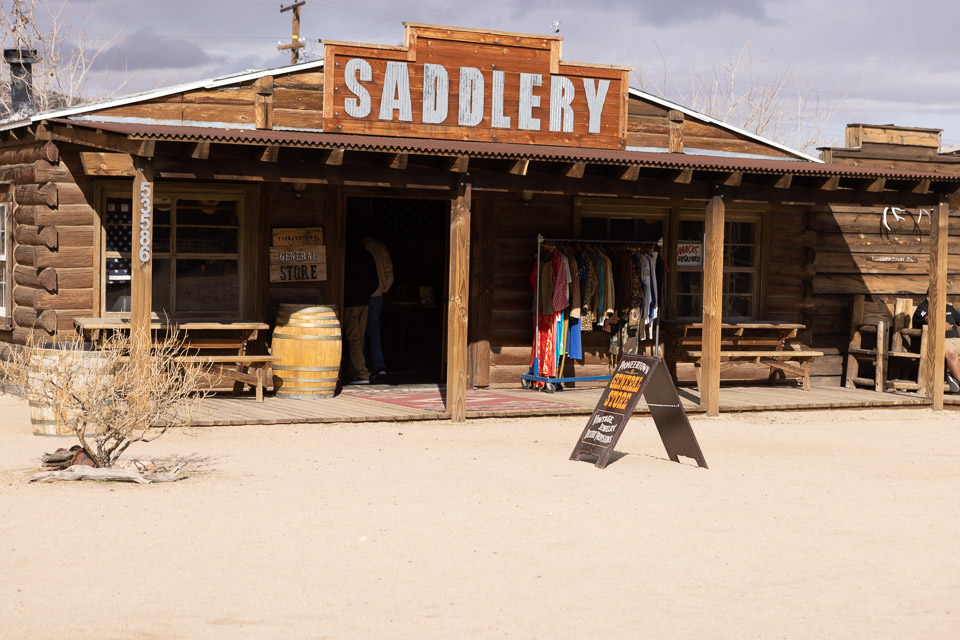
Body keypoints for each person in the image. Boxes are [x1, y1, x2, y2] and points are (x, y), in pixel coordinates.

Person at [342, 231, 379, 385]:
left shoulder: (346, 258)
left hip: (350, 303)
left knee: (354, 340)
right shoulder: (368, 256)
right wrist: (366, 294)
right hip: (365, 302)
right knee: (359, 339)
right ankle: (352, 372)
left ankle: (363, 373)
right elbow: (375, 282)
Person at [912, 289, 960, 393]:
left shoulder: (949, 308)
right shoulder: (923, 307)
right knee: (951, 353)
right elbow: (927, 319)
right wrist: (942, 323)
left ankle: (955, 379)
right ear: (927, 295)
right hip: (940, 341)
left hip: (957, 340)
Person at [362, 233, 394, 379]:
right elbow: (389, 273)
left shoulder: (360, 247)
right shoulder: (381, 248)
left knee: (359, 332)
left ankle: (361, 368)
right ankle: (379, 366)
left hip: (359, 296)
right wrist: (383, 289)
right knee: (374, 330)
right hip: (377, 295)